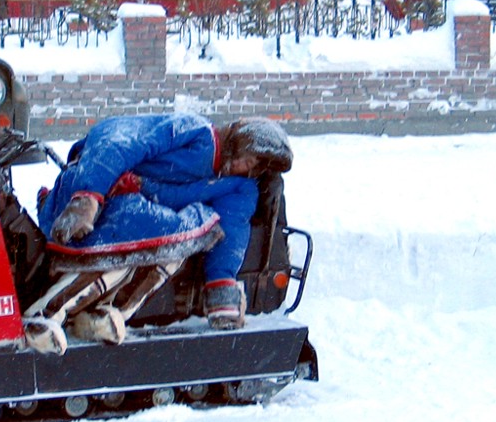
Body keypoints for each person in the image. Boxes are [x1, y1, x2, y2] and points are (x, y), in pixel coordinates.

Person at [23, 113, 293, 352]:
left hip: (144, 216)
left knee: (173, 247)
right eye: (250, 161)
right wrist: (88, 196)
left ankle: (97, 315)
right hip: (100, 193)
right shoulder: (195, 131)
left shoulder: (239, 186)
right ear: (239, 144)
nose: (250, 171)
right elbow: (115, 137)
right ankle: (43, 315)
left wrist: (221, 284)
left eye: (259, 168)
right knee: (126, 245)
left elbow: (232, 227)